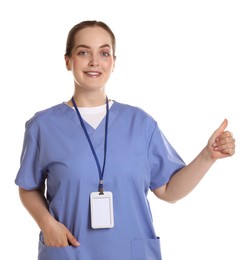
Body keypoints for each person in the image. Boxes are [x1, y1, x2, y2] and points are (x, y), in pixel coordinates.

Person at [15, 20, 235, 260]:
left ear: (114, 62)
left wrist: (207, 156)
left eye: (104, 53)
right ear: (68, 61)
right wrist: (47, 224)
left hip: (130, 252)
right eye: (83, 52)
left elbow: (168, 191)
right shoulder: (43, 126)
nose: (94, 62)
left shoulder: (140, 124)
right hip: (69, 252)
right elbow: (28, 187)